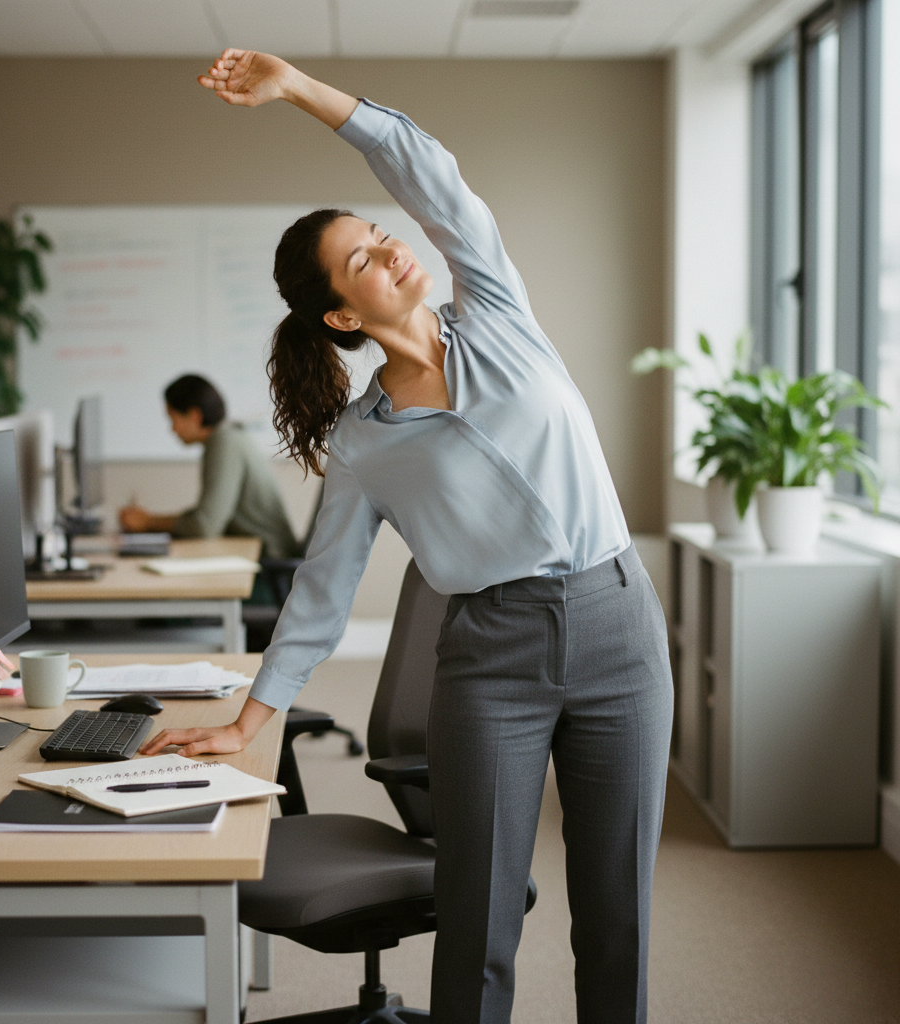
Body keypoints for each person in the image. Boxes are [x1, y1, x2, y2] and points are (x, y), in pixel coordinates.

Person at [141, 51, 673, 1024]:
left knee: (616, 917)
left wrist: (299, 88)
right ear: (343, 314)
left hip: (618, 626)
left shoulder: (499, 314)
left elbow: (428, 170)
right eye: (361, 261)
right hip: (491, 659)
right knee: (474, 926)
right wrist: (248, 722)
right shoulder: (363, 444)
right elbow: (321, 590)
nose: (389, 252)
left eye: (380, 236)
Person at [118, 373, 298, 559]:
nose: (172, 429)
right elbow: (207, 518)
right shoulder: (227, 437)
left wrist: (148, 522)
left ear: (194, 415)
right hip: (261, 556)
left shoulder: (224, 442)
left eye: (173, 419)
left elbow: (204, 525)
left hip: (271, 564)